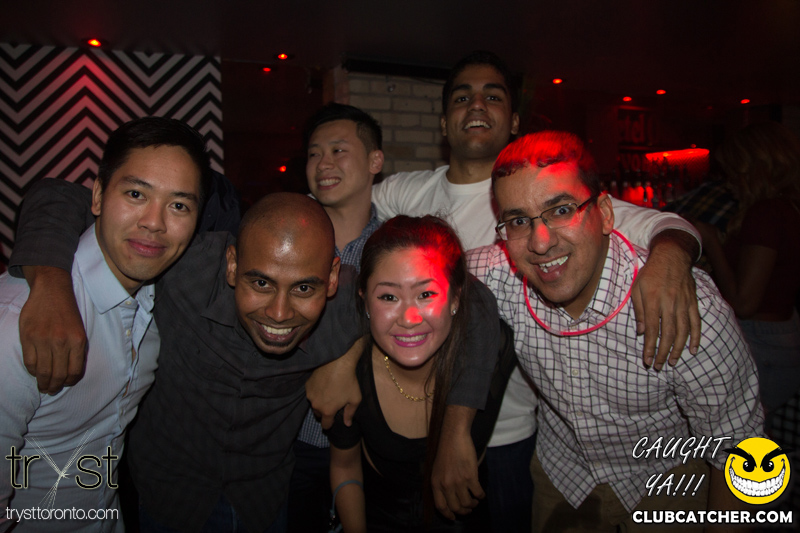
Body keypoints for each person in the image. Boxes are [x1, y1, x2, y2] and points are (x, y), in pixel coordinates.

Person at [372, 51, 704, 528]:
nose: (477, 105)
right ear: (444, 123)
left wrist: (670, 259)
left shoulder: (544, 190)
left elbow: (660, 225)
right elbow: (348, 225)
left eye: (493, 96)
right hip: (419, 422)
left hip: (511, 430)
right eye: (463, 97)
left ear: (514, 122)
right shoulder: (407, 192)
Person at [468, 131, 764, 532]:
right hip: (564, 476)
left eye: (561, 210)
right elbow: (420, 271)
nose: (540, 242)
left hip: (668, 481)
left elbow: (740, 451)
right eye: (519, 221)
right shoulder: (501, 275)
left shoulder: (689, 309)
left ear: (606, 213)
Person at [0, 116, 211, 532]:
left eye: (179, 205)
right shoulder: (18, 326)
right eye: (136, 194)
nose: (154, 221)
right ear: (97, 196)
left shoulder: (161, 300)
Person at [328, 215, 514, 532]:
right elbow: (344, 466)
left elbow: (482, 303)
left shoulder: (493, 354)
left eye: (426, 294)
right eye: (388, 297)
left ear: (456, 298)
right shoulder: (349, 376)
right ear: (365, 302)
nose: (409, 318)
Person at [697, 121, 800, 421]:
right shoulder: (788, 208)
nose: (729, 182)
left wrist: (712, 243)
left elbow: (745, 303)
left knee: (733, 430)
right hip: (783, 332)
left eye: (734, 172)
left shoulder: (765, 213)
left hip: (761, 340)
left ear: (755, 168)